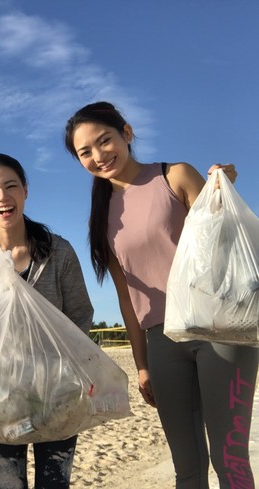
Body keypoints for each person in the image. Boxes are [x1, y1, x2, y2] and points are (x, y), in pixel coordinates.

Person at [65, 101, 258, 488]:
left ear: (127, 133)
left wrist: (222, 190)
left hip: (220, 329)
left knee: (229, 455)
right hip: (161, 340)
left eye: (105, 140)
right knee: (186, 464)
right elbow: (125, 297)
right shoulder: (102, 217)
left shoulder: (175, 176)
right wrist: (142, 362)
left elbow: (224, 240)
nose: (99, 155)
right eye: (85, 151)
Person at [0, 153, 94, 489]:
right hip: (0, 393)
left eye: (10, 186)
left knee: (54, 484)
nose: (2, 197)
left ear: (25, 191)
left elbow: (80, 314)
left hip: (57, 391)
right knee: (8, 485)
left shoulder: (58, 251)